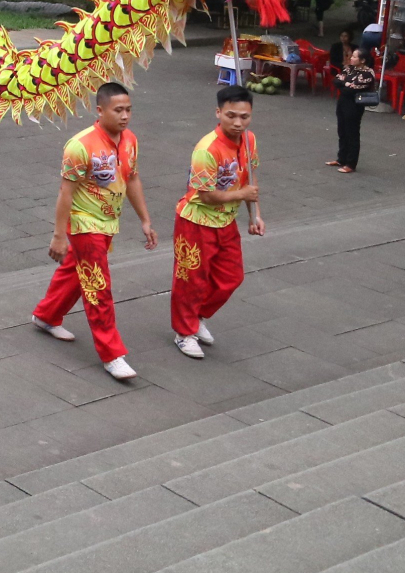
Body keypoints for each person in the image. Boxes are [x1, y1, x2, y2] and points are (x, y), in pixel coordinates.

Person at [30, 83, 155, 382]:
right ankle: (112, 354)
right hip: (85, 224)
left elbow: (133, 179)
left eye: (128, 110)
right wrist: (59, 235)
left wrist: (145, 220)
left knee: (77, 271)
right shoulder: (80, 145)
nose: (125, 116)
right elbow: (65, 193)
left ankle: (46, 315)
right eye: (118, 110)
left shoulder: (130, 141)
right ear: (99, 110)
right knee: (98, 286)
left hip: (108, 222)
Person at [170, 85, 263, 359]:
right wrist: (241, 194)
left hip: (226, 222)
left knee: (231, 277)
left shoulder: (250, 140)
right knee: (191, 279)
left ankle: (198, 316)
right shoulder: (206, 150)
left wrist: (254, 215)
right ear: (218, 112)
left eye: (244, 117)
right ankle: (183, 332)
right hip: (196, 222)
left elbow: (250, 179)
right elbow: (207, 196)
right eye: (231, 115)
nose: (238, 122)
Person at [331, 46, 377, 173]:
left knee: (352, 133)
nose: (351, 59)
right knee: (342, 131)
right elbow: (336, 80)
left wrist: (344, 84)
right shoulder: (349, 69)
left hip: (354, 106)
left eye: (354, 57)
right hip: (342, 102)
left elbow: (352, 90)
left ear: (362, 60)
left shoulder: (368, 74)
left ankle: (351, 163)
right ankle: (341, 158)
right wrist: (345, 83)